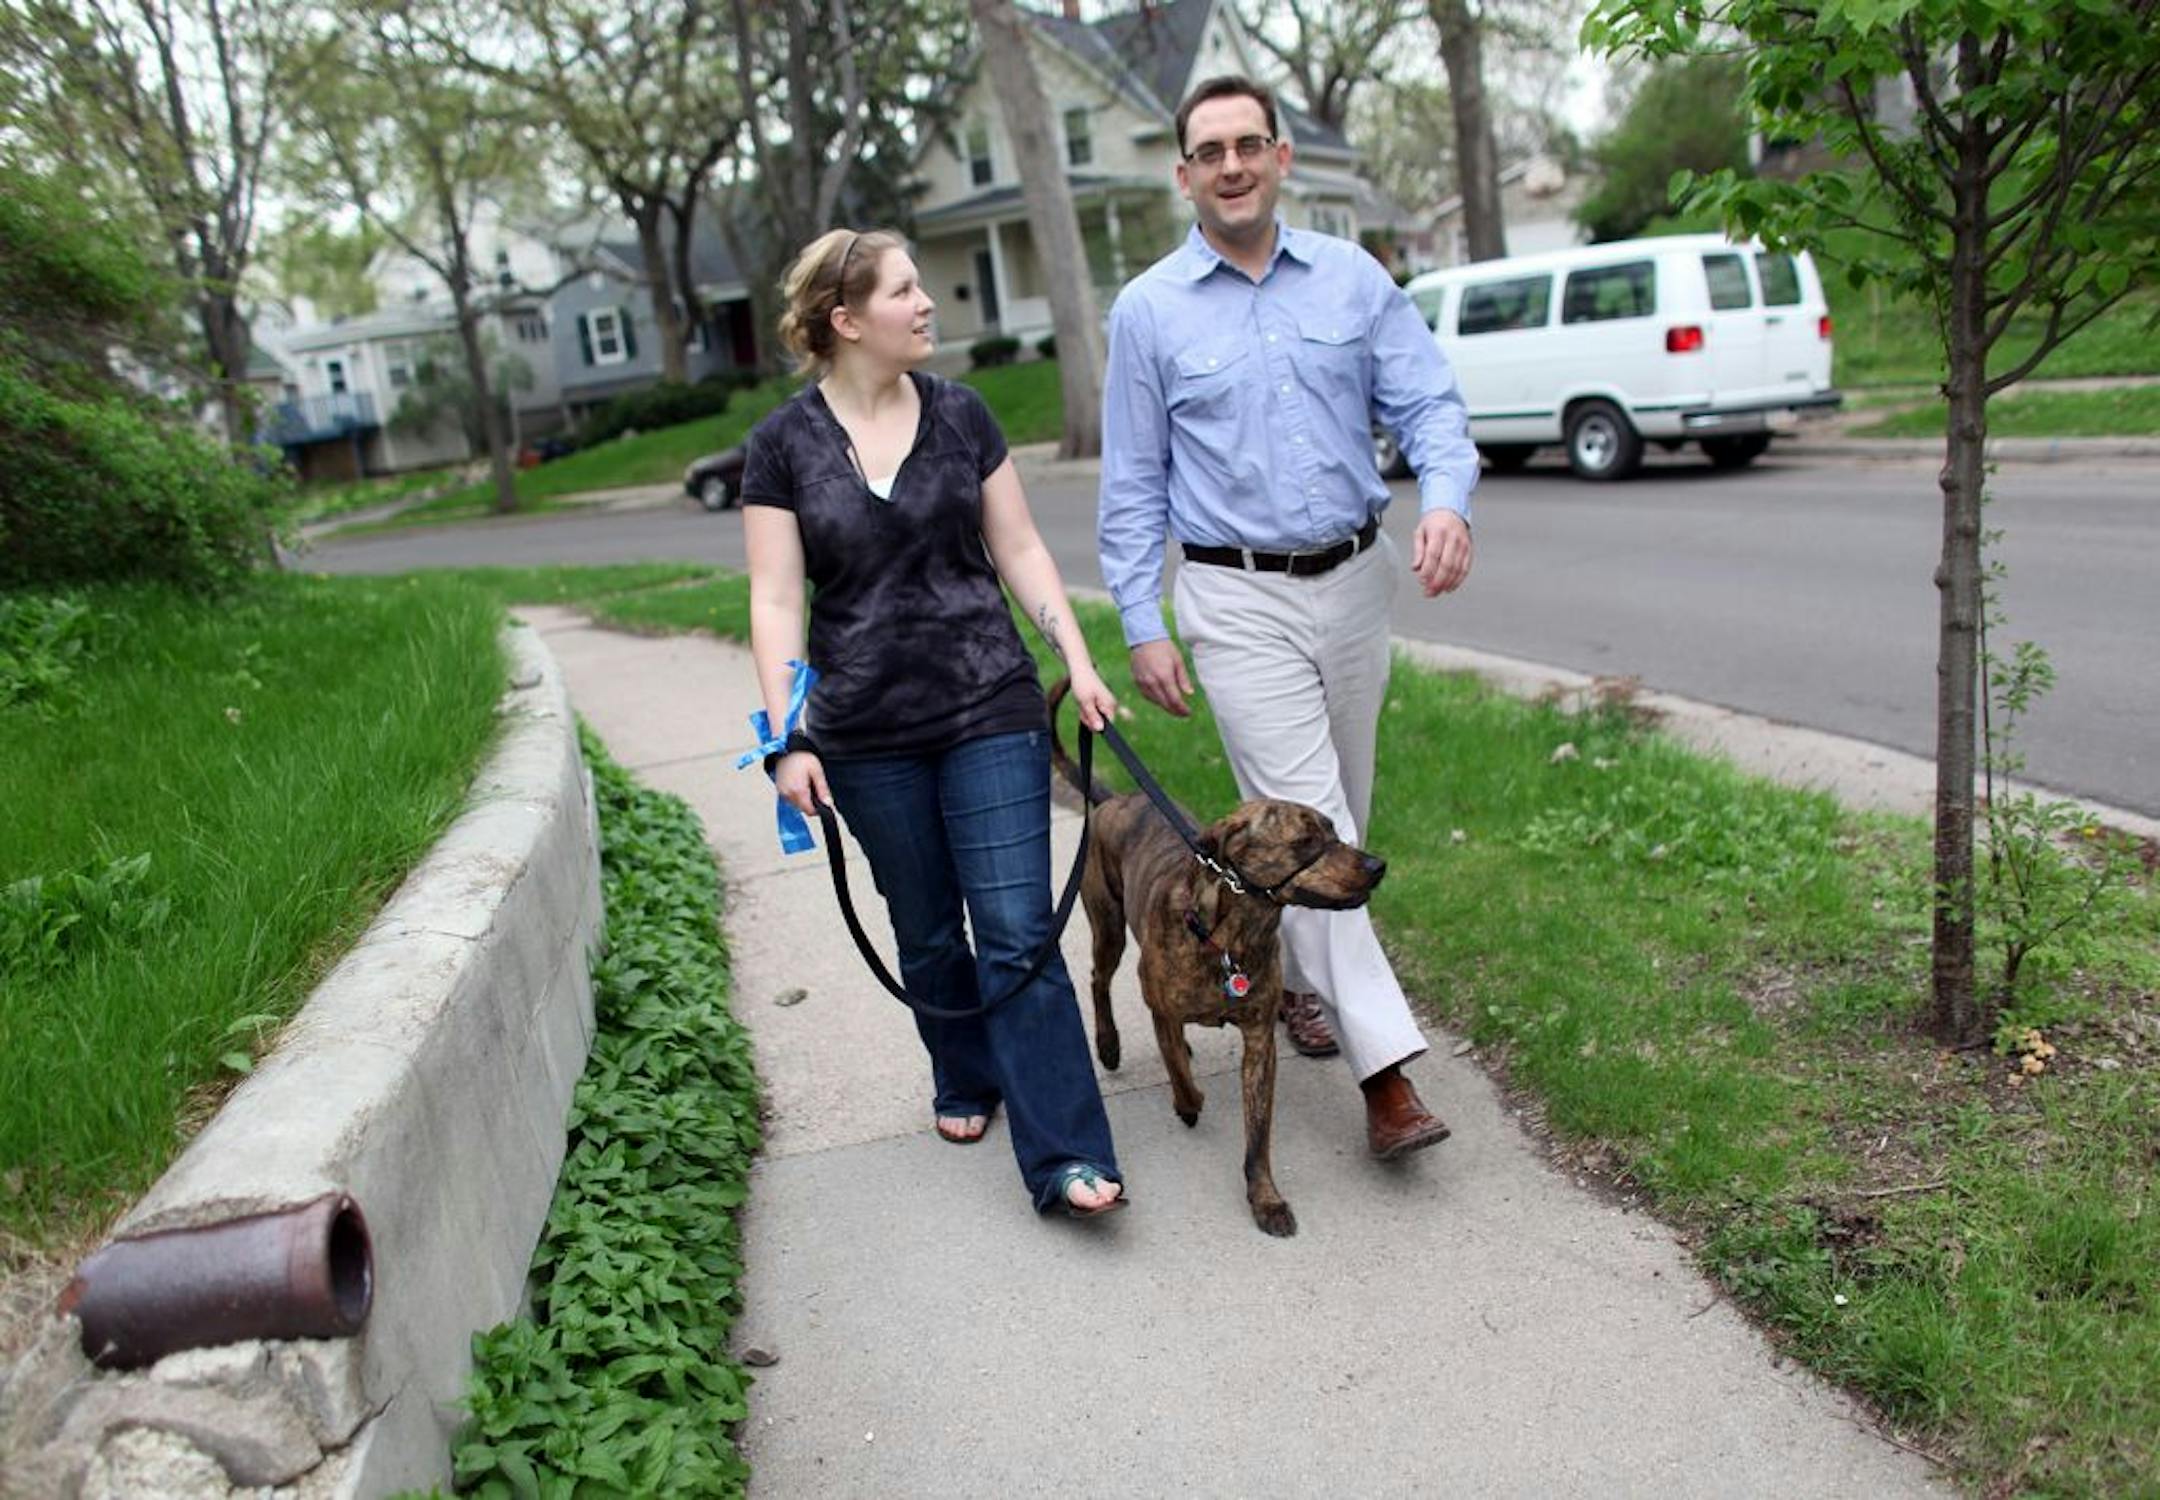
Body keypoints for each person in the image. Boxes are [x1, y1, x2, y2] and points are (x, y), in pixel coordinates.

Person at [1097, 76, 1479, 1160]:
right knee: (1305, 809)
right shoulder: (1151, 311)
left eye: (1248, 144)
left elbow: (1430, 407)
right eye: (1208, 150)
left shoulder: (1352, 280)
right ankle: (1388, 1080)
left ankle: (1300, 977)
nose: (1230, 165)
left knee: (1330, 835)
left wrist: (1446, 501)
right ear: (1183, 174)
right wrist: (1141, 618)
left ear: (1280, 158)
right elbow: (1132, 481)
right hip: (1235, 591)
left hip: (1355, 581)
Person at [742, 227, 1126, 1217]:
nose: (926, 305)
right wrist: (787, 735)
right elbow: (778, 599)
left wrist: (1075, 660)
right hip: (865, 731)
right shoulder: (783, 446)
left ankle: (1067, 1156)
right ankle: (964, 1072)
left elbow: (1023, 548)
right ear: (845, 319)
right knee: (925, 931)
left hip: (988, 704)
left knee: (1013, 932)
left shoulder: (962, 415)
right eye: (905, 291)